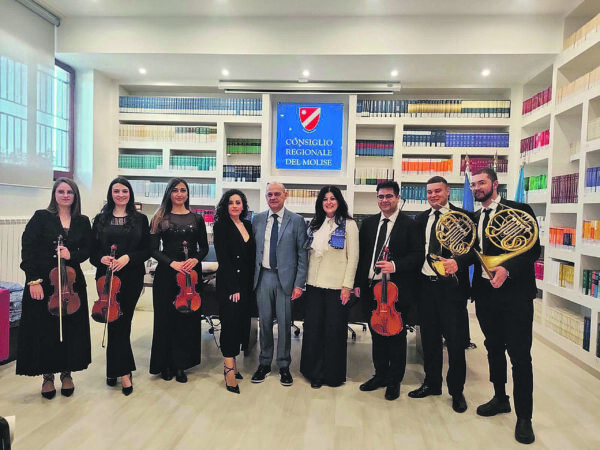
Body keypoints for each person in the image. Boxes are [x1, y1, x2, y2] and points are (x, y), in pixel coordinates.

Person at [459, 168, 540, 444]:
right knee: (493, 348)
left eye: (481, 183)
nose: (476, 188)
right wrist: (455, 263)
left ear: (495, 184)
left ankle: (525, 417)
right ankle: (500, 398)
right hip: (485, 294)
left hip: (515, 294)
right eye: (473, 184)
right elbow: (472, 253)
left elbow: (532, 249)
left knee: (520, 355)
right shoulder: (474, 218)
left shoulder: (519, 209)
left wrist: (507, 269)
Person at [16, 178, 92, 399]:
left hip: (71, 285)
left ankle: (67, 374)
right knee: (46, 331)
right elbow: (28, 248)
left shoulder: (82, 221)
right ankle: (47, 377)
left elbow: (87, 250)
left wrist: (71, 255)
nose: (65, 195)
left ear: (75, 196)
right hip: (45, 282)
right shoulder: (41, 217)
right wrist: (33, 280)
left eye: (70, 192)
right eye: (61, 191)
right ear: (54, 194)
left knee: (70, 330)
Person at [354, 181, 423, 401]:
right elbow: (362, 257)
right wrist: (358, 283)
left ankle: (394, 380)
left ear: (398, 197)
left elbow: (417, 256)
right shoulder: (368, 223)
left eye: (389, 196)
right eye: (381, 197)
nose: (384, 200)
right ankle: (380, 375)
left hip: (396, 291)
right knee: (376, 334)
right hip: (371, 289)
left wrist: (395, 265)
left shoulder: (410, 224)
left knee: (396, 337)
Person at [408, 176, 472, 413]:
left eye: (437, 191)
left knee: (455, 343)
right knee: (430, 340)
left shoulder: (463, 218)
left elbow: (474, 251)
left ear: (448, 192)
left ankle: (457, 391)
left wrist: (458, 262)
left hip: (451, 288)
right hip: (426, 286)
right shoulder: (420, 219)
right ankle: (432, 383)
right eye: (429, 192)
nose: (433, 195)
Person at [90, 177, 150, 396]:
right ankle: (122, 371)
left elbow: (147, 250)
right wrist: (101, 258)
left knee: (123, 323)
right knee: (113, 322)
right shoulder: (100, 219)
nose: (121, 195)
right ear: (111, 194)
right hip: (106, 278)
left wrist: (128, 258)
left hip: (131, 276)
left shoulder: (141, 219)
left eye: (125, 191)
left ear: (130, 194)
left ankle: (118, 370)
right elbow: (92, 251)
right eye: (116, 191)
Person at [149, 178, 209, 383]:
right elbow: (153, 249)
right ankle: (165, 364)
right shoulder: (159, 217)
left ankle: (181, 364)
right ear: (169, 193)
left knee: (187, 320)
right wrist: (171, 263)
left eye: (183, 190)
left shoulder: (197, 218)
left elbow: (204, 248)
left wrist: (195, 260)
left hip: (190, 275)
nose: (179, 194)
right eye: (175, 190)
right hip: (167, 273)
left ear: (187, 193)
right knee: (165, 319)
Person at [300, 186, 359, 389]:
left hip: (337, 287)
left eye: (333, 198)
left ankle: (333, 375)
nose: (329, 202)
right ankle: (314, 373)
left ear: (339, 201)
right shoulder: (315, 224)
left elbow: (353, 258)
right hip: (314, 285)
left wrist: (347, 286)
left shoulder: (349, 225)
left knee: (334, 332)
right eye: (325, 199)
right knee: (313, 330)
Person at [251, 182, 308, 386]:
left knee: (284, 324)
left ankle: (284, 365)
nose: (273, 197)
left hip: (286, 280)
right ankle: (264, 363)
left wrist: (299, 284)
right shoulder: (257, 219)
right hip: (263, 278)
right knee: (264, 322)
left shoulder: (297, 221)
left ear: (285, 195)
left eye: (277, 194)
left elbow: (302, 255)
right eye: (270, 194)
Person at [213, 189, 256, 394]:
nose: (235, 206)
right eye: (231, 202)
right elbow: (224, 258)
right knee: (229, 326)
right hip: (230, 285)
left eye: (238, 202)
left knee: (240, 325)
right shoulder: (221, 226)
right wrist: (233, 287)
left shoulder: (248, 224)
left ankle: (234, 365)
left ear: (243, 205)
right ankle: (228, 371)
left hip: (246, 285)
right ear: (225, 205)